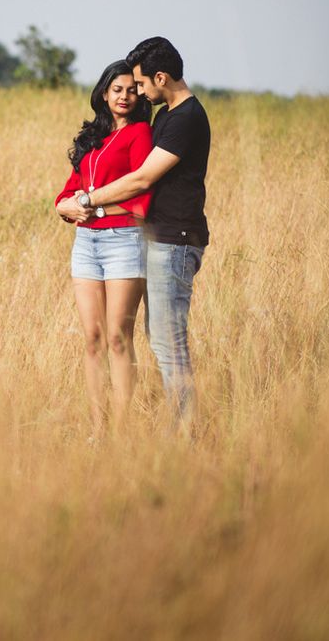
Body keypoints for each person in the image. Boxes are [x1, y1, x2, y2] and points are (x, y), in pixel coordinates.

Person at [74, 37, 211, 433]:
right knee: (161, 338)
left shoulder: (186, 118)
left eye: (141, 84)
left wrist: (89, 200)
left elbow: (142, 179)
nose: (138, 93)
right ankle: (179, 431)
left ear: (161, 77)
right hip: (158, 238)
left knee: (168, 342)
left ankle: (185, 434)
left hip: (176, 239)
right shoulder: (167, 114)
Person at [55, 60, 153, 432]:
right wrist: (63, 206)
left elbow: (141, 197)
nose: (125, 96)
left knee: (117, 337)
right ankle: (99, 428)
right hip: (86, 244)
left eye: (132, 90)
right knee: (93, 338)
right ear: (104, 92)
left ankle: (122, 430)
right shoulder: (92, 137)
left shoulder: (140, 133)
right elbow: (68, 191)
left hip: (124, 241)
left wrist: (89, 206)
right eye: (117, 89)